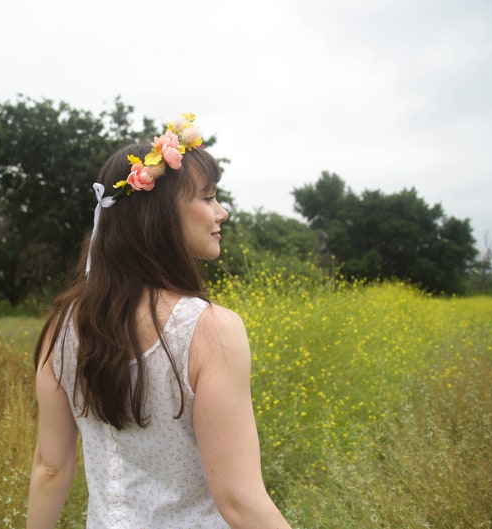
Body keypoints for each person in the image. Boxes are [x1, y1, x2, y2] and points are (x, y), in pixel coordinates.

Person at [26, 114, 293, 529]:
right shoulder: (212, 330)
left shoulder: (61, 328)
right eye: (207, 198)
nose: (221, 212)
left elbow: (49, 468)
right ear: (162, 214)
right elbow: (239, 502)